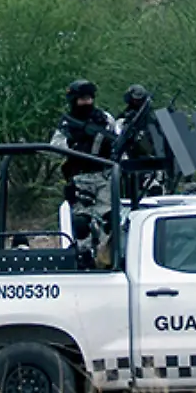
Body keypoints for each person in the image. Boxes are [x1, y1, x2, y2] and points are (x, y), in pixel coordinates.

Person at [49, 79, 117, 260]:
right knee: (81, 224)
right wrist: (73, 142)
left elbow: (118, 143)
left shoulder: (105, 119)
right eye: (82, 99)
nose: (86, 103)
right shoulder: (67, 124)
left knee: (110, 221)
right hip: (80, 179)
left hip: (104, 177)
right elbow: (54, 149)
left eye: (89, 98)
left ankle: (106, 257)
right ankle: (84, 256)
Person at [112, 83, 169, 199]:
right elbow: (118, 140)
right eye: (135, 100)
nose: (138, 103)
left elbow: (162, 140)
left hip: (153, 162)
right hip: (130, 162)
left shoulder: (152, 119)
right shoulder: (123, 119)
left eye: (140, 100)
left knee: (155, 189)